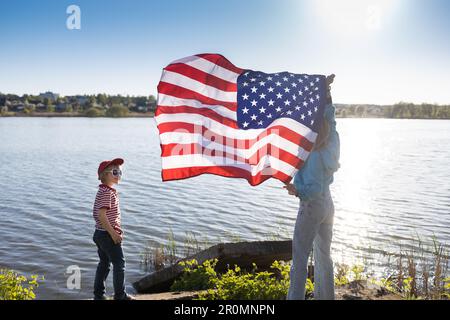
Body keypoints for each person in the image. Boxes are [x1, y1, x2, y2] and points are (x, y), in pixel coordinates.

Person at [284, 75, 340, 300]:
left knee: (299, 259)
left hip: (312, 204)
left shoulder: (312, 153)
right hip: (328, 204)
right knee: (323, 255)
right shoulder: (332, 141)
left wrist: (297, 191)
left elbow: (313, 188)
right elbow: (331, 119)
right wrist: (326, 94)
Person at [92, 158, 134, 300]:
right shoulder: (107, 193)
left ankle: (99, 295)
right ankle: (120, 296)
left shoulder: (104, 191)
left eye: (120, 172)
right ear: (104, 175)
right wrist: (113, 234)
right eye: (115, 172)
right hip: (107, 235)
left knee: (104, 264)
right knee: (119, 264)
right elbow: (102, 215)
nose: (118, 175)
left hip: (99, 234)